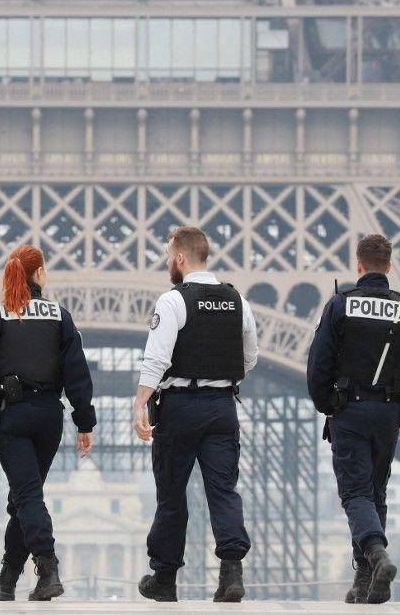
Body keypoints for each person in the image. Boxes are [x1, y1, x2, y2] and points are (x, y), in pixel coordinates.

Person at [0, 244, 96, 601]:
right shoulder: (60, 316)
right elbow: (77, 375)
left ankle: (48, 567)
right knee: (25, 497)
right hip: (48, 419)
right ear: (40, 273)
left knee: (27, 495)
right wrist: (84, 422)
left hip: (10, 416)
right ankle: (9, 575)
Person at [306, 234, 400, 604]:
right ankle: (366, 581)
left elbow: (318, 363)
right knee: (375, 492)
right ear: (390, 266)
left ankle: (376, 553)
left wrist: (326, 404)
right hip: (387, 413)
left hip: (348, 409)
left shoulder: (340, 306)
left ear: (359, 265)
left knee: (354, 491)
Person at [132, 226, 259, 603]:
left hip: (180, 409)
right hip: (222, 408)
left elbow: (157, 359)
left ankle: (166, 578)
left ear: (181, 258)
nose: (168, 262)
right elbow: (250, 358)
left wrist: (140, 404)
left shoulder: (173, 301)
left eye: (170, 256)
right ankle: (231, 572)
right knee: (223, 491)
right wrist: (219, 379)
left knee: (172, 494)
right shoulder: (238, 301)